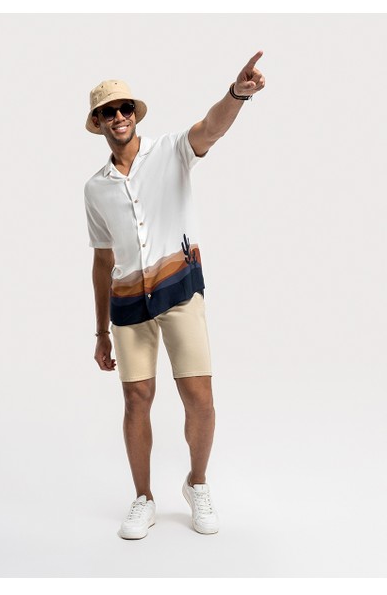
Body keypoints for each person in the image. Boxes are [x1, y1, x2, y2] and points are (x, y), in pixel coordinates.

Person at [83, 52, 265, 540]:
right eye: (108, 112)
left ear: (135, 113)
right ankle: (143, 498)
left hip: (180, 290)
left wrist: (237, 95)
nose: (118, 117)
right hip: (127, 303)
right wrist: (100, 332)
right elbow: (102, 260)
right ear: (98, 123)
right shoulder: (95, 189)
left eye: (125, 108)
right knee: (136, 399)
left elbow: (210, 128)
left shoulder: (169, 151)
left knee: (199, 398)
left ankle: (197, 483)